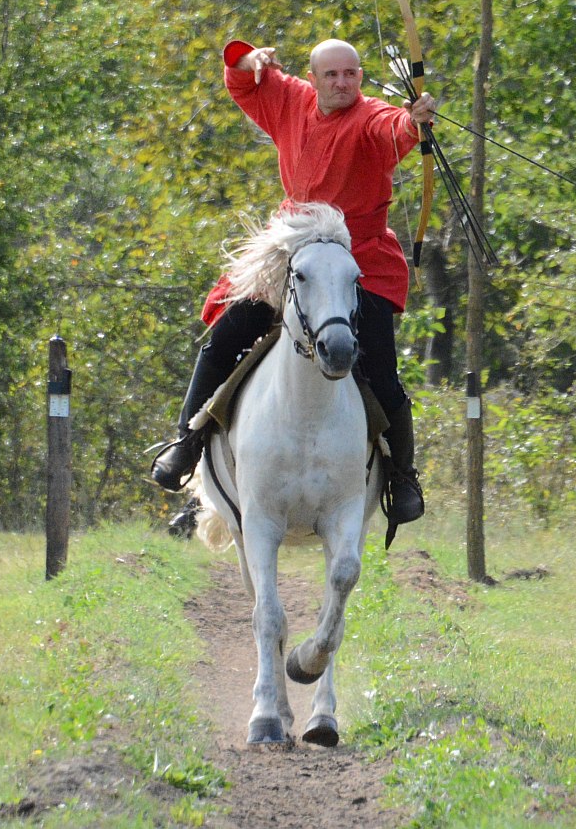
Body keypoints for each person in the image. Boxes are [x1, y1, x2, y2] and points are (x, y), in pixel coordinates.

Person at [151, 37, 431, 537]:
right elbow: (241, 79)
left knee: (382, 371)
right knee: (224, 338)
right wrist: (246, 59)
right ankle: (186, 445)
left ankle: (401, 478)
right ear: (315, 77)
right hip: (291, 253)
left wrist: (414, 120)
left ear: (361, 77)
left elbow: (393, 129)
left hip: (358, 259)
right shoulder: (291, 99)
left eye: (351, 74)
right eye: (332, 75)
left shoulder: (370, 117)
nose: (342, 83)